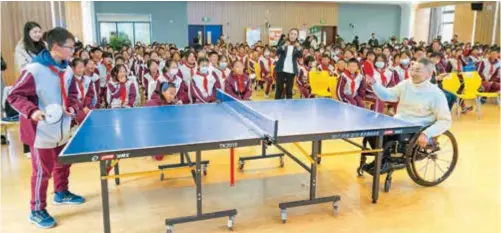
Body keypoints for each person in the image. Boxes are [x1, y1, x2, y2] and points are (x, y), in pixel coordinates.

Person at [7, 27, 85, 229]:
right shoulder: (34, 70)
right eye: (70, 47)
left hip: (62, 128)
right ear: (57, 47)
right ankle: (37, 209)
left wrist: (72, 107)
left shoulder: (67, 70)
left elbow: (73, 95)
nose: (73, 50)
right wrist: (32, 111)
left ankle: (61, 192)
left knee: (63, 163)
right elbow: (14, 95)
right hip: (41, 131)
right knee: (42, 172)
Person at [363, 58, 452, 173]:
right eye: (412, 69)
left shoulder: (436, 94)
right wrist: (374, 83)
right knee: (372, 131)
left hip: (415, 128)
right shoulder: (406, 84)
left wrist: (426, 133)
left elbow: (445, 121)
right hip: (399, 122)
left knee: (386, 136)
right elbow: (387, 95)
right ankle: (382, 160)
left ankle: (384, 161)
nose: (413, 73)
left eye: (418, 70)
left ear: (429, 74)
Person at [274, 28, 302, 99]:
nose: (292, 35)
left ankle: (289, 108)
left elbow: (300, 56)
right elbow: (277, 52)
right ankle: (276, 106)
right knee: (279, 90)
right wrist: (284, 46)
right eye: (291, 33)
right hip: (281, 69)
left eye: (295, 34)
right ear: (289, 34)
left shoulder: (298, 45)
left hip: (291, 70)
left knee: (289, 91)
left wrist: (299, 48)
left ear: (297, 36)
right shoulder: (283, 42)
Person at [71, 58, 95, 125]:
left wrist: (86, 106)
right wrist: (81, 108)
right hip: (75, 106)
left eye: (83, 67)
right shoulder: (70, 81)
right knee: (82, 118)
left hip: (86, 105)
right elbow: (71, 98)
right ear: (73, 68)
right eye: (79, 67)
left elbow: (90, 95)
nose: (81, 70)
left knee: (94, 113)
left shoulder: (87, 80)